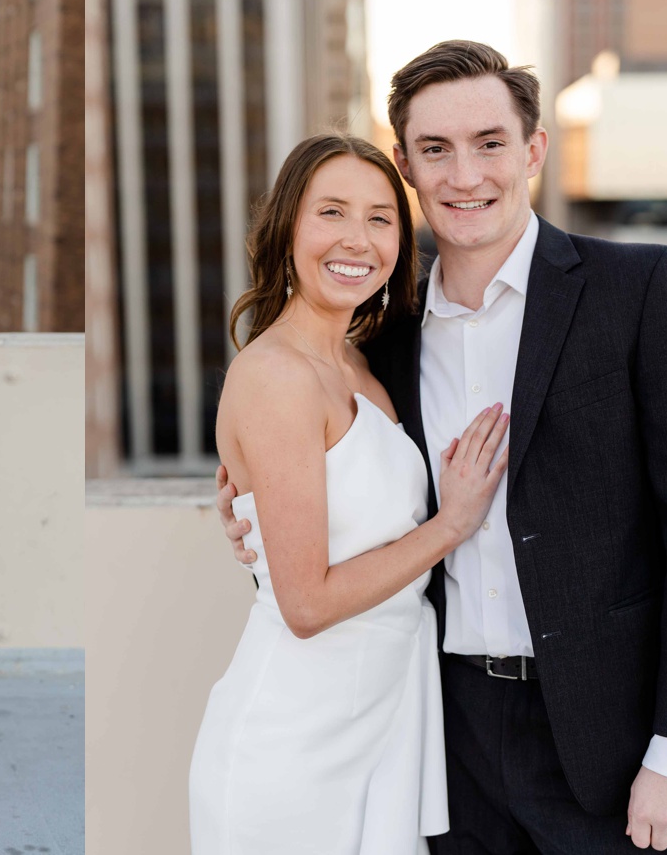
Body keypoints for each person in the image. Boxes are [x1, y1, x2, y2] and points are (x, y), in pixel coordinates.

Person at [217, 41, 667, 853]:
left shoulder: (639, 289)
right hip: (441, 737)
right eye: (435, 150)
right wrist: (253, 524)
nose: (464, 175)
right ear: (406, 165)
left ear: (534, 150)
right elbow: (334, 501)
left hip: (608, 742)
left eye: (489, 143)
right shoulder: (382, 341)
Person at [189, 133, 510, 854]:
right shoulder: (276, 375)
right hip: (292, 745)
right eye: (330, 212)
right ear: (287, 229)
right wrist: (450, 524)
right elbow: (304, 604)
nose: (356, 239)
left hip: (382, 727)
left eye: (379, 218)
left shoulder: (368, 362)